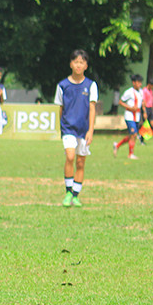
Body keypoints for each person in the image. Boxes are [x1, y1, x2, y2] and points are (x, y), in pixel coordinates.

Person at [54, 49, 98, 207]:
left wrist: (90, 130)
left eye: (82, 62)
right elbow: (60, 108)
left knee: (80, 162)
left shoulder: (91, 85)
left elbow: (92, 109)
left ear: (86, 65)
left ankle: (76, 195)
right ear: (71, 64)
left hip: (83, 130)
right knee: (70, 156)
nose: (78, 65)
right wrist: (62, 127)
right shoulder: (62, 85)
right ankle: (68, 192)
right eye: (76, 62)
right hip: (68, 129)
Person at [113, 74, 143, 160]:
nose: (140, 84)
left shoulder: (141, 92)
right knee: (133, 134)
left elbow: (141, 103)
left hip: (137, 116)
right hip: (129, 116)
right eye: (138, 82)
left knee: (132, 136)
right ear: (134, 83)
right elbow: (120, 102)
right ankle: (130, 154)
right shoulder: (129, 92)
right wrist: (130, 108)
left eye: (141, 82)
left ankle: (117, 145)